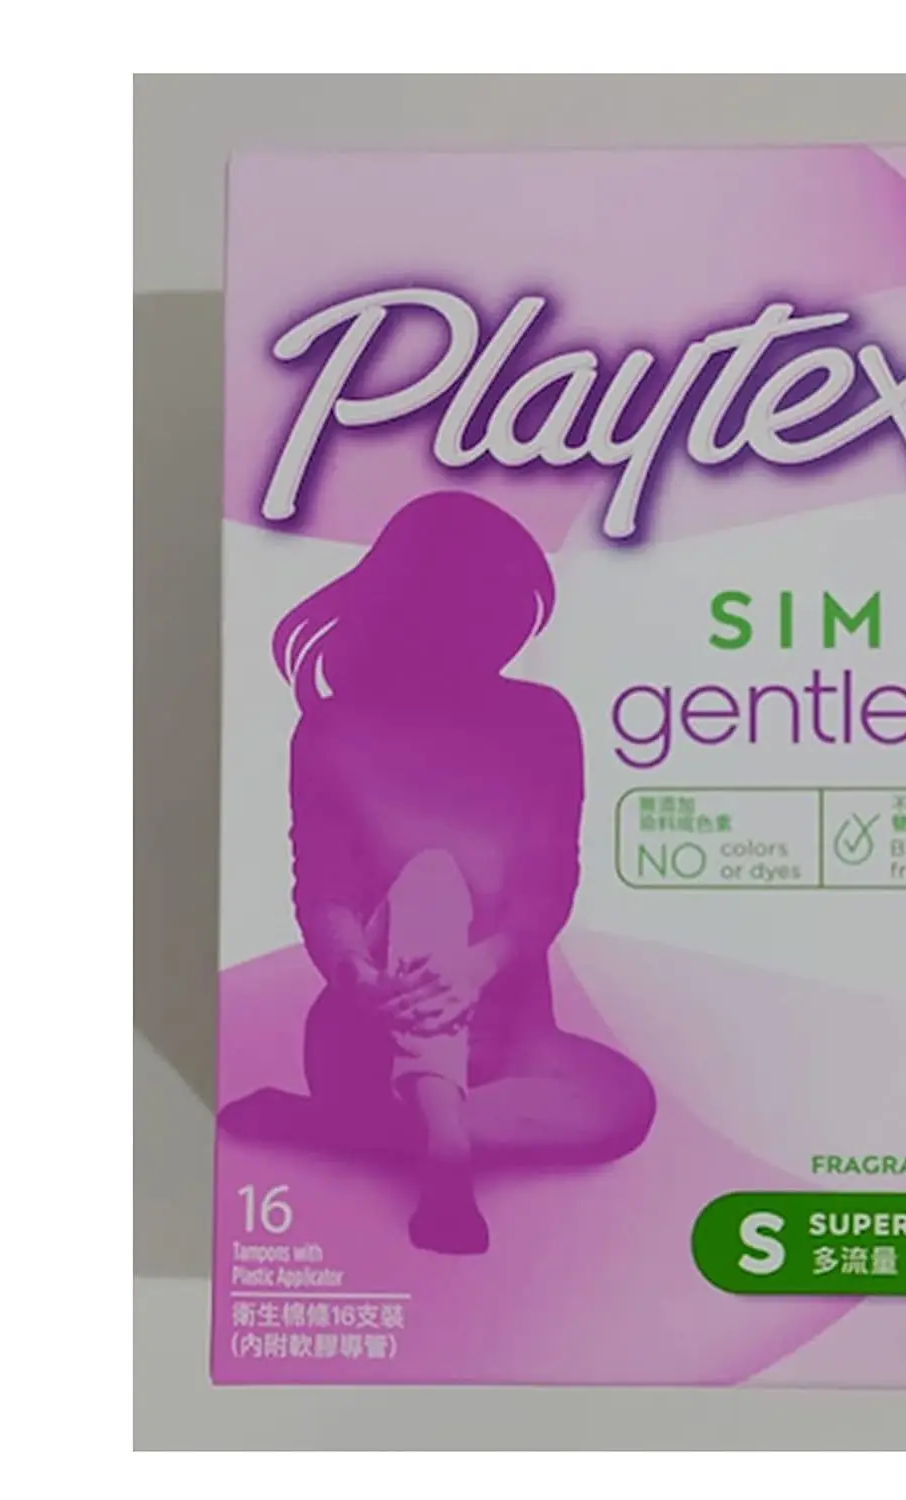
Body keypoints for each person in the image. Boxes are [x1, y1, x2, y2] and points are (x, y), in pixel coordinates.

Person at [262, 490, 655, 1254]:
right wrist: (355, 973)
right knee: (432, 881)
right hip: (371, 1030)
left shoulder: (542, 722)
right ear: (412, 606)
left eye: (511, 614)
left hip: (511, 1039)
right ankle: (441, 1142)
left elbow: (550, 884)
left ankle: (377, 1131)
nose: (501, 632)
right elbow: (324, 892)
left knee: (626, 1104)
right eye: (479, 610)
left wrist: (477, 968)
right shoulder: (333, 731)